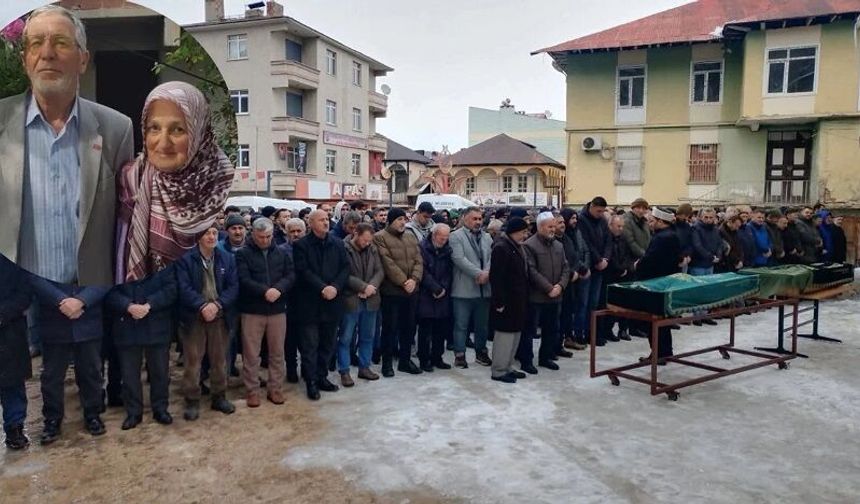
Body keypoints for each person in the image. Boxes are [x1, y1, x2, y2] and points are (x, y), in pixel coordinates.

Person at [0, 5, 134, 286]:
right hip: (13, 306)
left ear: (83, 60)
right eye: (36, 44)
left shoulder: (117, 130)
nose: (47, 53)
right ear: (25, 59)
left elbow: (123, 228)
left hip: (86, 305)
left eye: (60, 43)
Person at [117, 81, 234, 283]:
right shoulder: (131, 178)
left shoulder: (222, 181)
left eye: (177, 130)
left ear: (199, 131)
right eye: (154, 128)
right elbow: (118, 255)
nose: (163, 143)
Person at [175, 227, 238, 421]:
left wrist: (218, 305)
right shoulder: (185, 259)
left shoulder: (226, 258)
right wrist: (202, 305)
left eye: (214, 233)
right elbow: (182, 287)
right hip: (194, 317)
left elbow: (233, 286)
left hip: (219, 317)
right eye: (206, 233)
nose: (211, 237)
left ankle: (219, 396)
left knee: (220, 361)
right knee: (193, 362)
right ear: (197, 236)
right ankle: (192, 399)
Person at [105, 264, 177, 429]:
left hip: (156, 324)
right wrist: (128, 306)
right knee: (130, 375)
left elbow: (171, 288)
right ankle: (133, 412)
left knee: (160, 372)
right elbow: (108, 291)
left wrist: (149, 304)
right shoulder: (118, 260)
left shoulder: (162, 259)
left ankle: (160, 409)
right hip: (127, 325)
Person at [235, 218, 295, 407]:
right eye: (261, 237)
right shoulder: (243, 254)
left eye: (268, 236)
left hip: (277, 309)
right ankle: (252, 390)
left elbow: (291, 275)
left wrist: (279, 289)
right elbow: (243, 279)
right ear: (253, 234)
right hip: (253, 310)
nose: (265, 240)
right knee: (251, 354)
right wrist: (264, 291)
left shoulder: (281, 253)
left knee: (277, 352)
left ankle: (275, 388)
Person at [292, 210, 350, 400]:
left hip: (332, 303)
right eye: (321, 220)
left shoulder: (337, 243)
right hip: (310, 303)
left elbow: (345, 268)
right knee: (310, 346)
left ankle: (322, 376)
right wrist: (322, 287)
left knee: (327, 344)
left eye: (327, 219)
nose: (326, 223)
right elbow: (303, 271)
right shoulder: (301, 245)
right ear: (311, 223)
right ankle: (311, 381)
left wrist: (334, 287)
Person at [374, 208, 424, 377]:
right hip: (392, 291)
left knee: (409, 328)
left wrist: (414, 280)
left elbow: (419, 260)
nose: (403, 222)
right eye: (399, 219)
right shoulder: (380, 237)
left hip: (411, 291)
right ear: (391, 220)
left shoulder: (410, 237)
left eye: (405, 218)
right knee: (389, 329)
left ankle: (405, 361)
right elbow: (387, 263)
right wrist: (404, 282)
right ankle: (387, 363)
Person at [518, 212, 570, 373]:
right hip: (536, 297)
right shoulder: (529, 245)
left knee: (551, 329)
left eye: (554, 226)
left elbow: (566, 268)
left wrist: (560, 286)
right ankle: (526, 360)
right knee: (529, 331)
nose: (553, 229)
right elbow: (531, 271)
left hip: (555, 296)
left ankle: (545, 357)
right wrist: (549, 288)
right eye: (550, 226)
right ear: (540, 227)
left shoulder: (558, 245)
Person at [447, 207, 493, 368]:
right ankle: (460, 355)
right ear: (464, 219)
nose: (478, 222)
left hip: (484, 289)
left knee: (482, 325)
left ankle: (481, 352)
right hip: (463, 289)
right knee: (461, 325)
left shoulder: (487, 237)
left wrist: (487, 273)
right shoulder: (455, 236)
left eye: (480, 219)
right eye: (474, 219)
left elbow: (492, 258)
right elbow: (459, 259)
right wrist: (478, 274)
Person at [339, 223, 385, 385]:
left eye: (369, 241)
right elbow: (343, 273)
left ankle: (364, 367)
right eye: (364, 240)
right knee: (346, 337)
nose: (367, 243)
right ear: (356, 234)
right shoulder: (343, 249)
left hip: (371, 299)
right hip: (351, 299)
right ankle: (344, 371)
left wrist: (371, 287)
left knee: (368, 336)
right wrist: (363, 287)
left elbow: (380, 271)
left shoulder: (373, 249)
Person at [636, 207, 682, 363]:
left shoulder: (662, 238)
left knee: (654, 322)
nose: (650, 223)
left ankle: (658, 354)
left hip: (655, 285)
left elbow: (650, 260)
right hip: (666, 283)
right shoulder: (673, 235)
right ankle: (665, 352)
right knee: (663, 322)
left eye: (653, 221)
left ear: (661, 222)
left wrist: (638, 265)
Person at [488, 217, 530, 384]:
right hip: (506, 301)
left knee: (515, 334)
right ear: (513, 232)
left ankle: (508, 366)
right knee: (504, 336)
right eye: (522, 232)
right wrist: (499, 301)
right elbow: (496, 277)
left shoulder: (517, 247)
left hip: (518, 300)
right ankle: (498, 370)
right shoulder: (501, 248)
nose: (525, 235)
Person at [0, 256, 32, 450]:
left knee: (12, 383)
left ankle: (14, 427)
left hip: (10, 329)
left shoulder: (12, 257)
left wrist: (2, 314)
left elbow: (25, 293)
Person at [417, 223, 454, 372]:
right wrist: (434, 288)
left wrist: (443, 288)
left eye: (446, 238)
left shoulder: (447, 249)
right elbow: (422, 271)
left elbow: (449, 272)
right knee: (425, 330)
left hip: (442, 295)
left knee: (440, 330)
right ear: (434, 235)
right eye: (441, 237)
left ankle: (437, 357)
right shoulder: (422, 248)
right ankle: (424, 359)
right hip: (426, 294)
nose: (443, 240)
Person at [577, 197, 612, 346]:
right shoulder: (581, 220)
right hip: (588, 267)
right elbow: (586, 243)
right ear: (591, 206)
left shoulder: (602, 220)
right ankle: (580, 334)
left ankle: (593, 333)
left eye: (603, 211)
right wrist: (597, 260)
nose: (600, 214)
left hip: (600, 267)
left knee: (595, 303)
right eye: (598, 211)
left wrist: (605, 259)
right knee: (583, 303)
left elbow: (608, 240)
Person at [558, 209, 590, 350]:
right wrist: (572, 273)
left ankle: (569, 338)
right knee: (561, 313)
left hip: (576, 276)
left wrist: (583, 269)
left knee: (570, 309)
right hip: (563, 280)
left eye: (575, 218)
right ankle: (559, 343)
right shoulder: (557, 240)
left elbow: (577, 255)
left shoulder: (571, 235)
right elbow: (562, 260)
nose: (574, 221)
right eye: (571, 218)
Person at [602, 215, 636, 339]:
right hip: (611, 275)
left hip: (624, 274)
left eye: (622, 226)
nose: (621, 229)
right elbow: (609, 257)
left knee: (624, 304)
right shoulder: (607, 238)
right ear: (610, 226)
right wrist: (619, 269)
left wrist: (626, 268)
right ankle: (607, 330)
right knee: (611, 305)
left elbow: (628, 255)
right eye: (618, 226)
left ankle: (623, 330)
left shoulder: (623, 238)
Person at [283, 217, 307, 382]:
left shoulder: (310, 249)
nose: (296, 234)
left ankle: (307, 369)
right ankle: (291, 369)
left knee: (307, 340)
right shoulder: (280, 251)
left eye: (299, 231)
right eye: (292, 231)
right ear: (286, 233)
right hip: (288, 301)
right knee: (289, 340)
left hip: (307, 301)